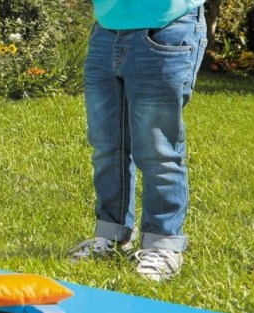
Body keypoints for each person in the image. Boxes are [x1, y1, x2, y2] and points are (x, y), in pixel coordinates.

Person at [70, 1, 208, 281]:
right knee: (106, 146)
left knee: (157, 150)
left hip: (165, 24)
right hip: (107, 27)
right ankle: (110, 235)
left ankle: (162, 244)